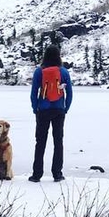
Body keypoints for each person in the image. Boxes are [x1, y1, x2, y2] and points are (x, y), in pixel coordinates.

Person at [29, 44, 72, 182]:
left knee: (40, 142)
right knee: (58, 141)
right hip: (59, 110)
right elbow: (70, 92)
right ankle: (57, 174)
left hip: (43, 110)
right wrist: (65, 108)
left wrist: (35, 108)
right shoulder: (64, 72)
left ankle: (37, 175)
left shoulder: (39, 72)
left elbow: (33, 92)